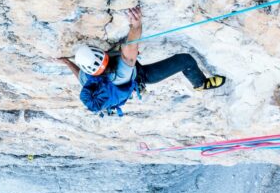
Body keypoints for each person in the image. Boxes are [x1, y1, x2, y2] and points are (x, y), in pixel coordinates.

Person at [58, 6, 226, 114]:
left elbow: (79, 75)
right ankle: (200, 84)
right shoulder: (120, 74)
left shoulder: (89, 81)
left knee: (124, 52)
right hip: (141, 76)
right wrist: (136, 26)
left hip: (126, 77)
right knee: (185, 60)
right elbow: (130, 50)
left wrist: (67, 62)